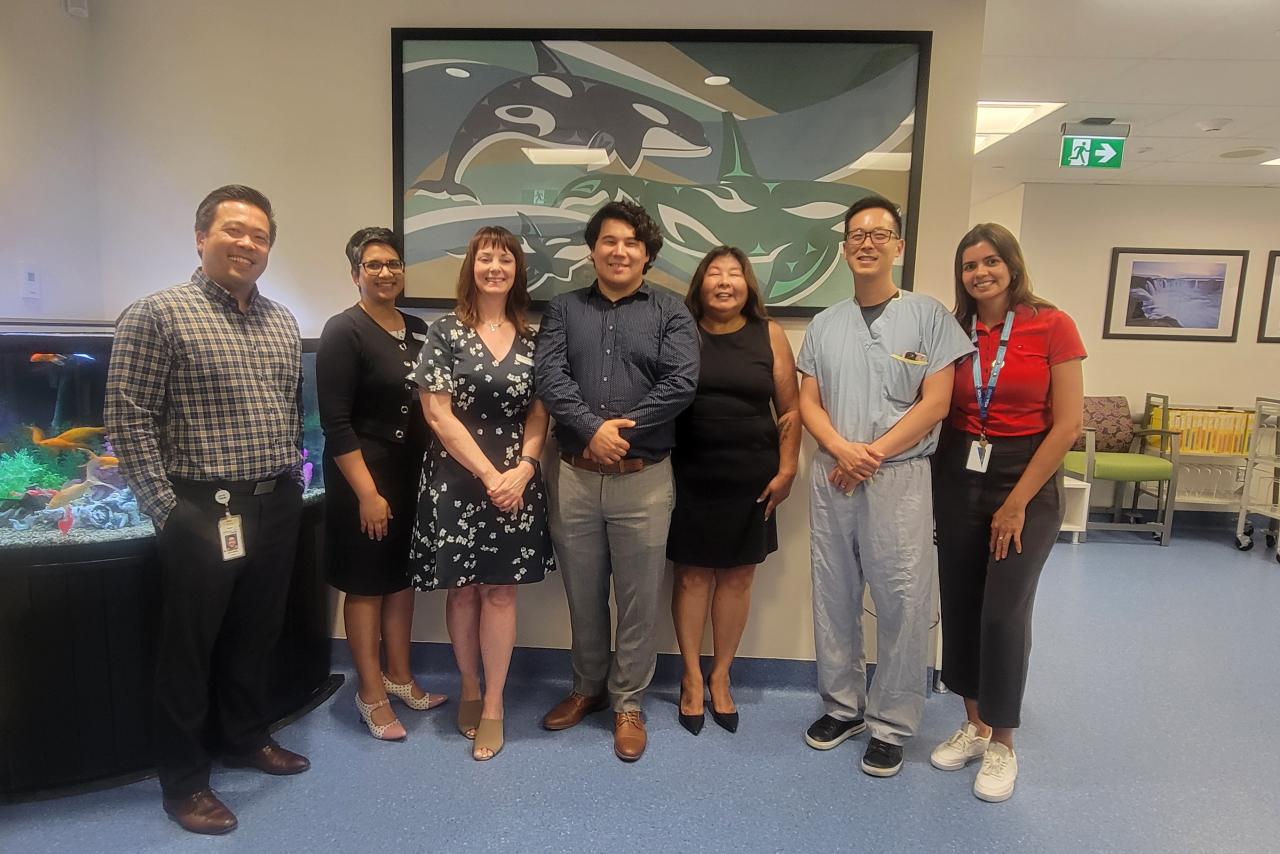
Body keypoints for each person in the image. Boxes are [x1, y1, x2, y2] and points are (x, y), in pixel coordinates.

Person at [105, 185, 310, 835]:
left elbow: (287, 407)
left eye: (260, 236)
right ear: (201, 237)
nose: (248, 243)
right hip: (201, 508)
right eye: (234, 230)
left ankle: (246, 738)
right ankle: (185, 781)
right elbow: (127, 419)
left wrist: (292, 482)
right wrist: (167, 511)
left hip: (273, 503)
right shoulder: (157, 314)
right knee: (188, 651)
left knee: (255, 635)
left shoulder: (281, 320)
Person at [796, 195, 972, 777]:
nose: (866, 242)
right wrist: (843, 450)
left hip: (898, 476)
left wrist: (870, 454)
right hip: (834, 475)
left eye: (879, 233)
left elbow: (937, 402)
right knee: (834, 593)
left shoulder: (928, 317)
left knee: (901, 599)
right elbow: (808, 402)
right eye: (856, 234)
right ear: (844, 248)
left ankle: (892, 722)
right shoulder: (825, 324)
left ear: (898, 245)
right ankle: (842, 706)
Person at [534, 200, 699, 762]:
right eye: (609, 240)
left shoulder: (672, 312)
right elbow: (550, 377)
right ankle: (587, 688)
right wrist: (590, 430)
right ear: (593, 249)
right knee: (582, 595)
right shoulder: (562, 309)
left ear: (647, 254)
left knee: (637, 599)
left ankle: (628, 700)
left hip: (644, 478)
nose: (619, 250)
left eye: (631, 242)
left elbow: (681, 382)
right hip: (575, 477)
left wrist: (618, 433)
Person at [929, 223, 1085, 802]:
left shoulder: (1052, 324)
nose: (980, 273)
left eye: (991, 262)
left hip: (1029, 475)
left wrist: (1016, 501)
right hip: (960, 470)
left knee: (1003, 612)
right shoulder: (953, 327)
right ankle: (975, 723)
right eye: (970, 266)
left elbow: (1067, 423)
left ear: (1012, 265)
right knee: (963, 603)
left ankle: (1004, 744)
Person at [409, 225, 555, 761]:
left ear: (518, 270)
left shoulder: (536, 338)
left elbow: (540, 415)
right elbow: (437, 414)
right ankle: (468, 685)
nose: (495, 267)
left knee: (500, 592)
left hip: (517, 482)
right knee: (463, 590)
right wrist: (491, 476)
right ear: (471, 266)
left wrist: (524, 468)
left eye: (506, 259)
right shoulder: (445, 332)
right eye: (485, 258)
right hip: (457, 480)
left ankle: (493, 702)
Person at [317, 227, 446, 743]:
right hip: (362, 475)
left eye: (393, 263)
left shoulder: (416, 327)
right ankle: (370, 691)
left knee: (401, 579)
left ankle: (400, 676)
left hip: (409, 472)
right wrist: (367, 493)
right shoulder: (342, 330)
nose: (386, 272)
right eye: (374, 264)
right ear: (356, 274)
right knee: (367, 584)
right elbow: (336, 421)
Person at [667, 246, 800, 735]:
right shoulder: (681, 332)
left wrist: (787, 469)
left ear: (748, 284)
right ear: (700, 283)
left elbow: (789, 409)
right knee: (691, 577)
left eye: (735, 273)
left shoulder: (771, 334)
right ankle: (689, 678)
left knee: (739, 577)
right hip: (689, 473)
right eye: (715, 273)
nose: (725, 282)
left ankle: (721, 676)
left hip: (753, 476)